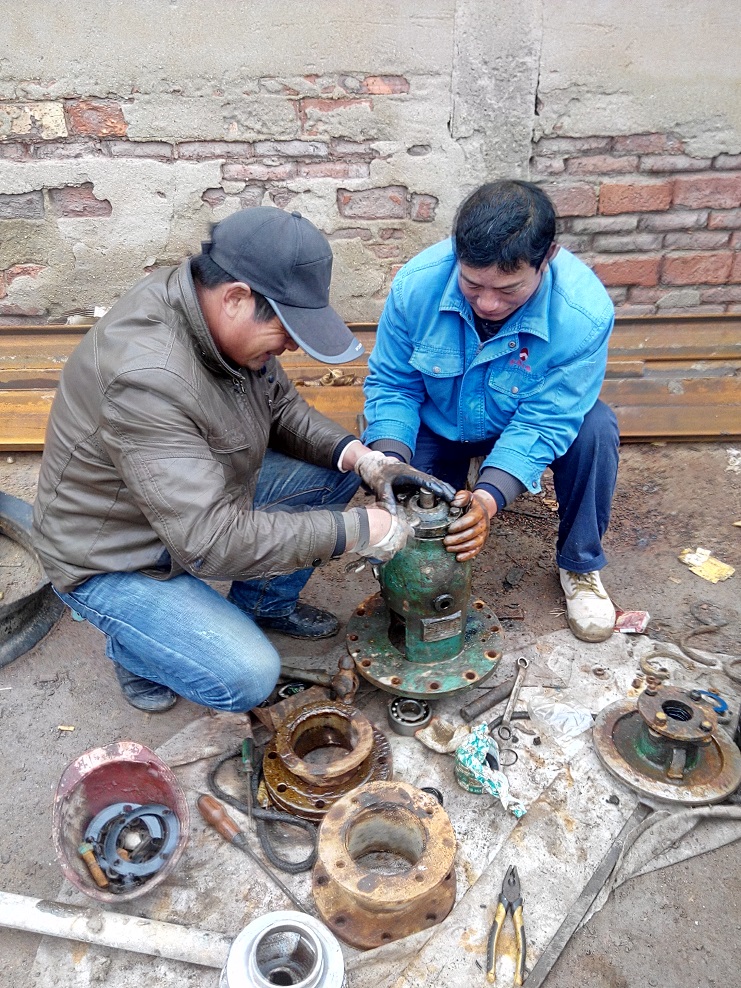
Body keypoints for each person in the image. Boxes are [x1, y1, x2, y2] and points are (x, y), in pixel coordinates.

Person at [32, 206, 477, 714]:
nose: (288, 346)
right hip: (119, 554)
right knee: (248, 675)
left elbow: (281, 408)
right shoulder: (146, 377)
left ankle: (262, 605)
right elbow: (209, 542)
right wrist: (362, 530)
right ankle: (135, 650)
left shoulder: (212, 315)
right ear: (236, 298)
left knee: (334, 470)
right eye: (285, 328)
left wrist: (364, 459)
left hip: (190, 495)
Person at [363, 180, 620, 643]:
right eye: (472, 283)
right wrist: (390, 463)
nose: (487, 303)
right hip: (439, 422)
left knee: (595, 428)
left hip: (517, 423)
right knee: (415, 518)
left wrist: (489, 497)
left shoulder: (583, 315)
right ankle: (412, 555)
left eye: (508, 289)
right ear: (456, 252)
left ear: (547, 257)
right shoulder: (415, 287)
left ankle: (580, 566)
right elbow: (394, 386)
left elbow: (546, 419)